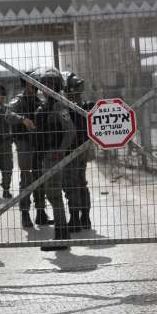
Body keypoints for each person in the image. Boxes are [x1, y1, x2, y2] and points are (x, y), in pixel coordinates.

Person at [31, 68, 76, 251]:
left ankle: (61, 235)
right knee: (51, 194)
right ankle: (61, 233)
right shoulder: (45, 105)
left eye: (50, 84)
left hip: (53, 155)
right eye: (44, 84)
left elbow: (70, 131)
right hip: (45, 155)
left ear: (57, 85)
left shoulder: (59, 104)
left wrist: (60, 151)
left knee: (54, 194)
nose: (46, 87)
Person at [6, 71, 53, 228]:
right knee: (26, 178)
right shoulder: (18, 100)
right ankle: (25, 213)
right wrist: (22, 120)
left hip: (38, 143)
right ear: (25, 85)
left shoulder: (40, 101)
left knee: (40, 177)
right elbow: (8, 114)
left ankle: (41, 212)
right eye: (30, 84)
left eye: (35, 84)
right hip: (24, 143)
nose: (33, 87)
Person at [61, 71, 92, 232]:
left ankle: (75, 220)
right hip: (84, 149)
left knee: (71, 184)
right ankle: (85, 218)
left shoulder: (67, 107)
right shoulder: (85, 105)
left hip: (71, 151)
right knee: (81, 182)